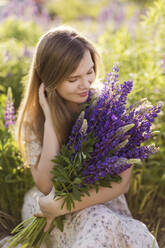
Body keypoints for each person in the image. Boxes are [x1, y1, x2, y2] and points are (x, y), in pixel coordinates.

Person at [0, 25, 159, 248]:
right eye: (73, 79)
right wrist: (50, 121)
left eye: (90, 71)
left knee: (99, 220)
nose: (86, 84)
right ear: (50, 80)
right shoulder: (34, 119)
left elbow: (122, 183)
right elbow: (46, 186)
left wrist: (63, 206)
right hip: (50, 207)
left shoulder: (109, 109)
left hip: (99, 201)